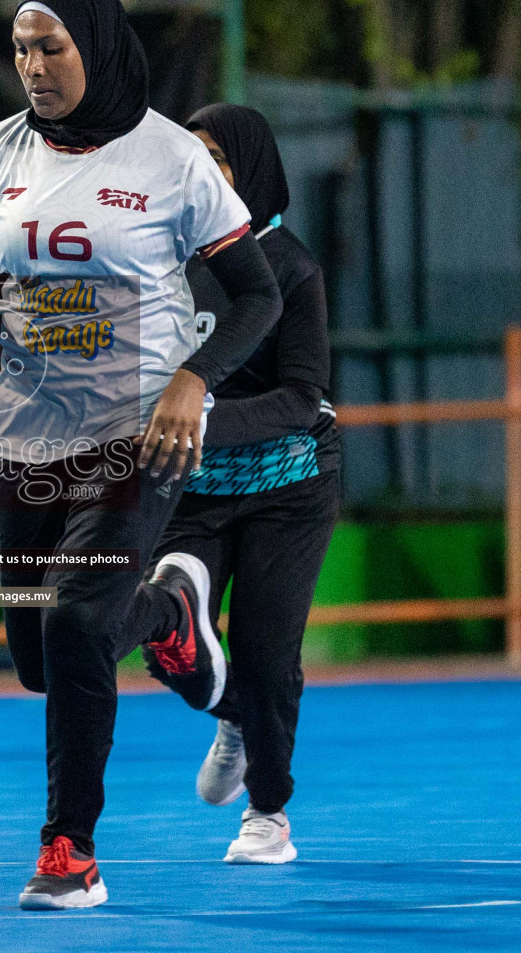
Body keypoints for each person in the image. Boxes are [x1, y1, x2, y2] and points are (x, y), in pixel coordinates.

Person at [0, 0, 282, 910]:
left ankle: (68, 852)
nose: (33, 67)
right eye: (22, 50)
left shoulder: (171, 160)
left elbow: (257, 298)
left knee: (75, 627)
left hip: (136, 434)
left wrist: (192, 384)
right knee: (39, 656)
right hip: (28, 440)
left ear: (99, 45)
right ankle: (168, 621)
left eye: (52, 48)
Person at [147, 104, 341, 866]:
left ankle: (267, 813)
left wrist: (199, 415)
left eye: (218, 160)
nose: (200, 174)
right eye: (189, 160)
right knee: (159, 629)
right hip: (190, 489)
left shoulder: (289, 267)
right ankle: (234, 713)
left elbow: (301, 396)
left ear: (252, 171)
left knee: (266, 654)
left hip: (288, 484)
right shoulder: (162, 260)